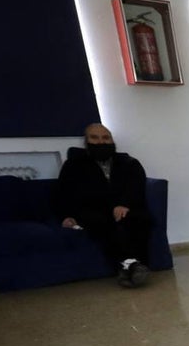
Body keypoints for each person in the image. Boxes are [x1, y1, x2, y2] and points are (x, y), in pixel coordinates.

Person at [56, 123, 153, 288]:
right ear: (86, 142)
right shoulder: (73, 166)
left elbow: (137, 188)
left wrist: (124, 204)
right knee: (103, 223)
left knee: (138, 219)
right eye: (95, 138)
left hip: (126, 208)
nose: (101, 142)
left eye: (106, 138)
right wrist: (66, 216)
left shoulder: (129, 163)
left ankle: (127, 269)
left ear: (112, 141)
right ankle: (133, 265)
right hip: (93, 211)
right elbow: (64, 194)